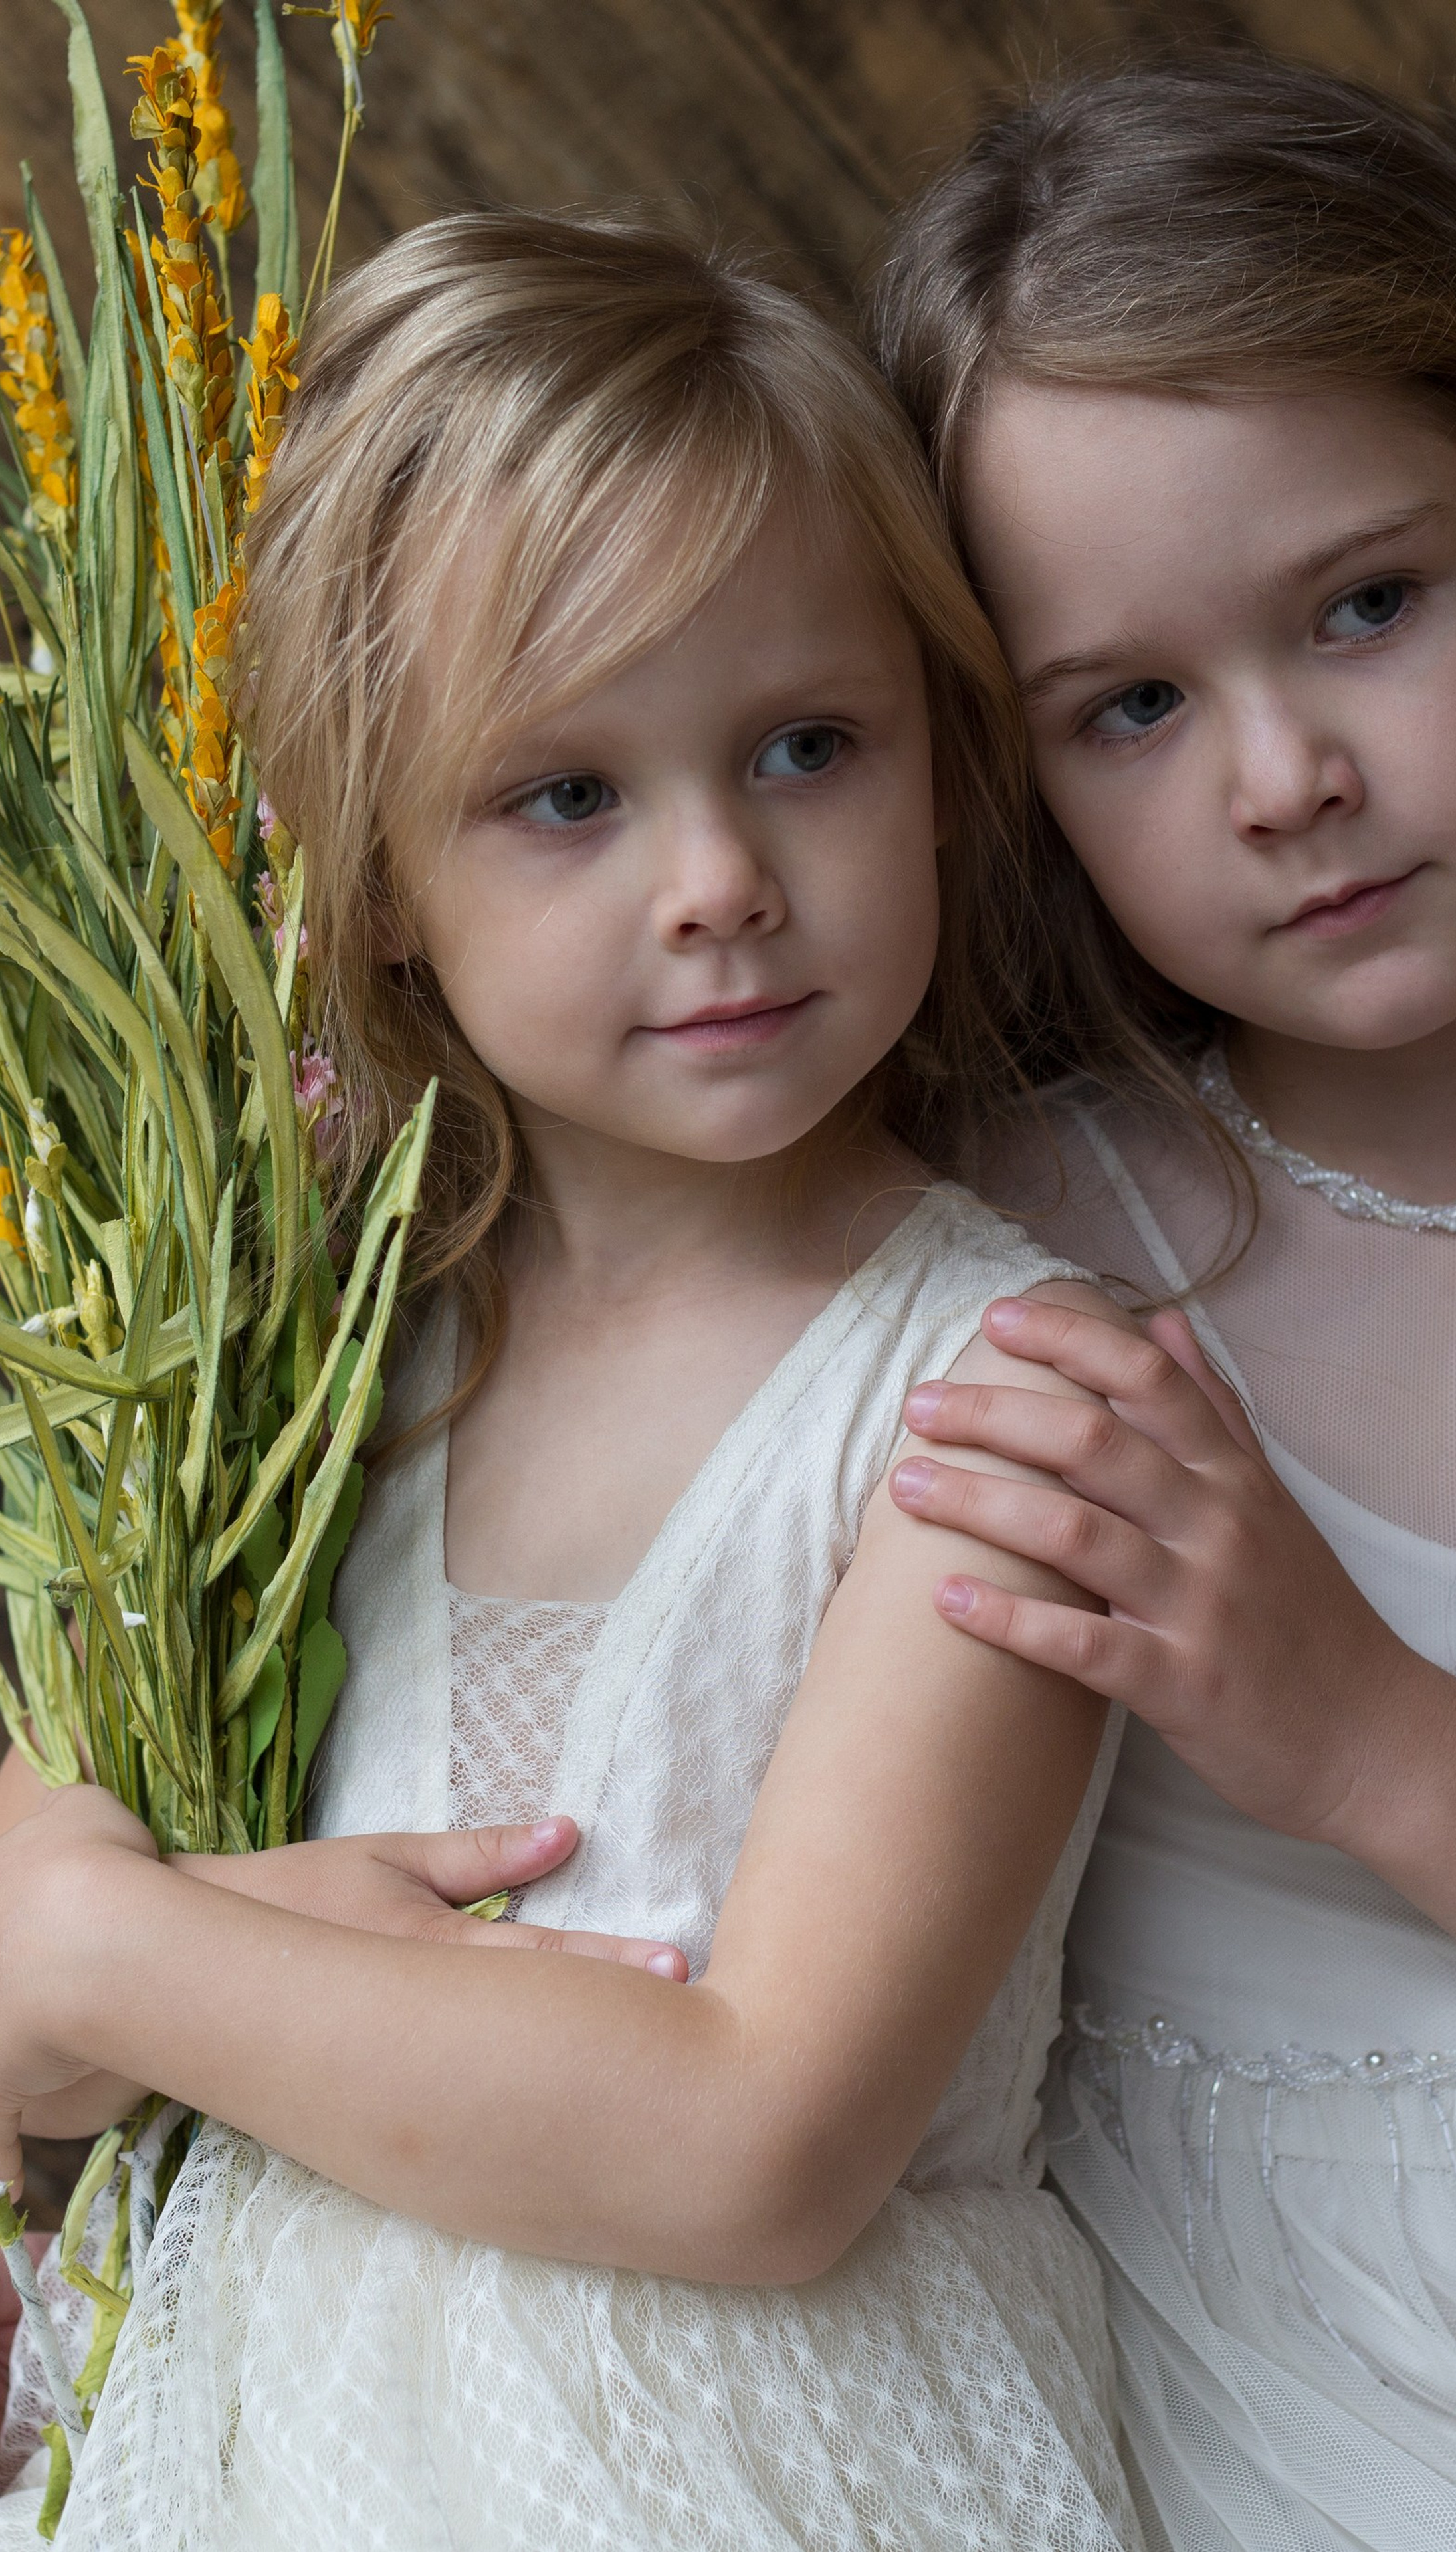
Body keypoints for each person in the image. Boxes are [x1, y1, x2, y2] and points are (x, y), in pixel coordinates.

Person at [0, 212, 1143, 2549]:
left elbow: (761, 2142)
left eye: (806, 745)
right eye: (568, 795)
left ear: (944, 758)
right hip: (264, 2443)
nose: (720, 876)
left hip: (782, 2464)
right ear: (382, 871)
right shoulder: (275, 1360)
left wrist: (120, 1947)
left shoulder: (1002, 1400)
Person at [871, 54, 1456, 2549]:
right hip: (1222, 2443)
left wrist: (1356, 1728)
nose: (1283, 777)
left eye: (1365, 604)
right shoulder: (1000, 1243)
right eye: (1132, 706)